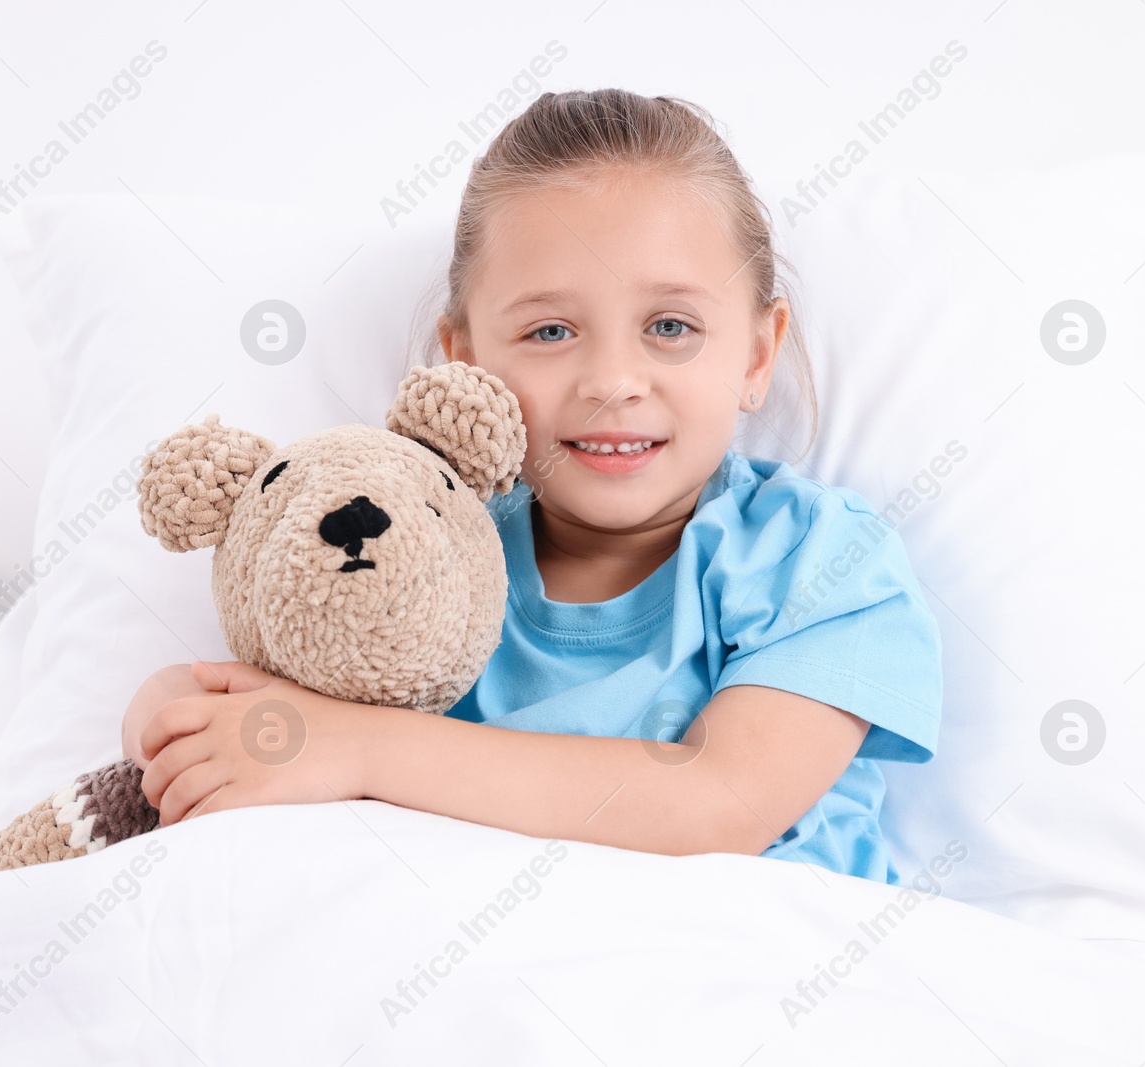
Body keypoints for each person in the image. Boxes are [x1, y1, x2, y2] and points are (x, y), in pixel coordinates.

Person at [121, 88, 942, 885]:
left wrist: (359, 746)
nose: (614, 380)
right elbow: (195, 704)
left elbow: (717, 805)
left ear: (758, 356)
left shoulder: (820, 560)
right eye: (550, 330)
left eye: (671, 327)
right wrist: (195, 725)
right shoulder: (431, 554)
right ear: (466, 363)